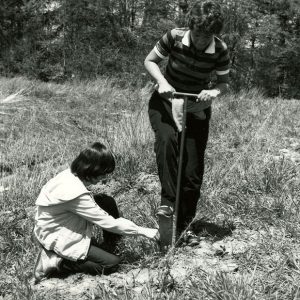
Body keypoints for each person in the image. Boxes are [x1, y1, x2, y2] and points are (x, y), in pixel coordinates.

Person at [144, 1, 230, 245]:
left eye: (208, 35)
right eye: (199, 34)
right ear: (191, 27)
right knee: (167, 142)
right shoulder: (174, 37)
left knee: (192, 171)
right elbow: (150, 61)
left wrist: (213, 92)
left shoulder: (221, 49)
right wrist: (162, 81)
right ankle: (167, 206)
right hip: (164, 102)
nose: (203, 40)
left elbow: (224, 83)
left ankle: (184, 226)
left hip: (195, 108)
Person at [33, 142, 158, 283]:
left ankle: (111, 243)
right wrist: (144, 231)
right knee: (111, 264)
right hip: (58, 236)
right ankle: (58, 262)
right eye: (103, 173)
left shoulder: (70, 174)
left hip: (53, 226)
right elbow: (109, 223)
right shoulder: (75, 195)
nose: (104, 178)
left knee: (106, 202)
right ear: (92, 169)